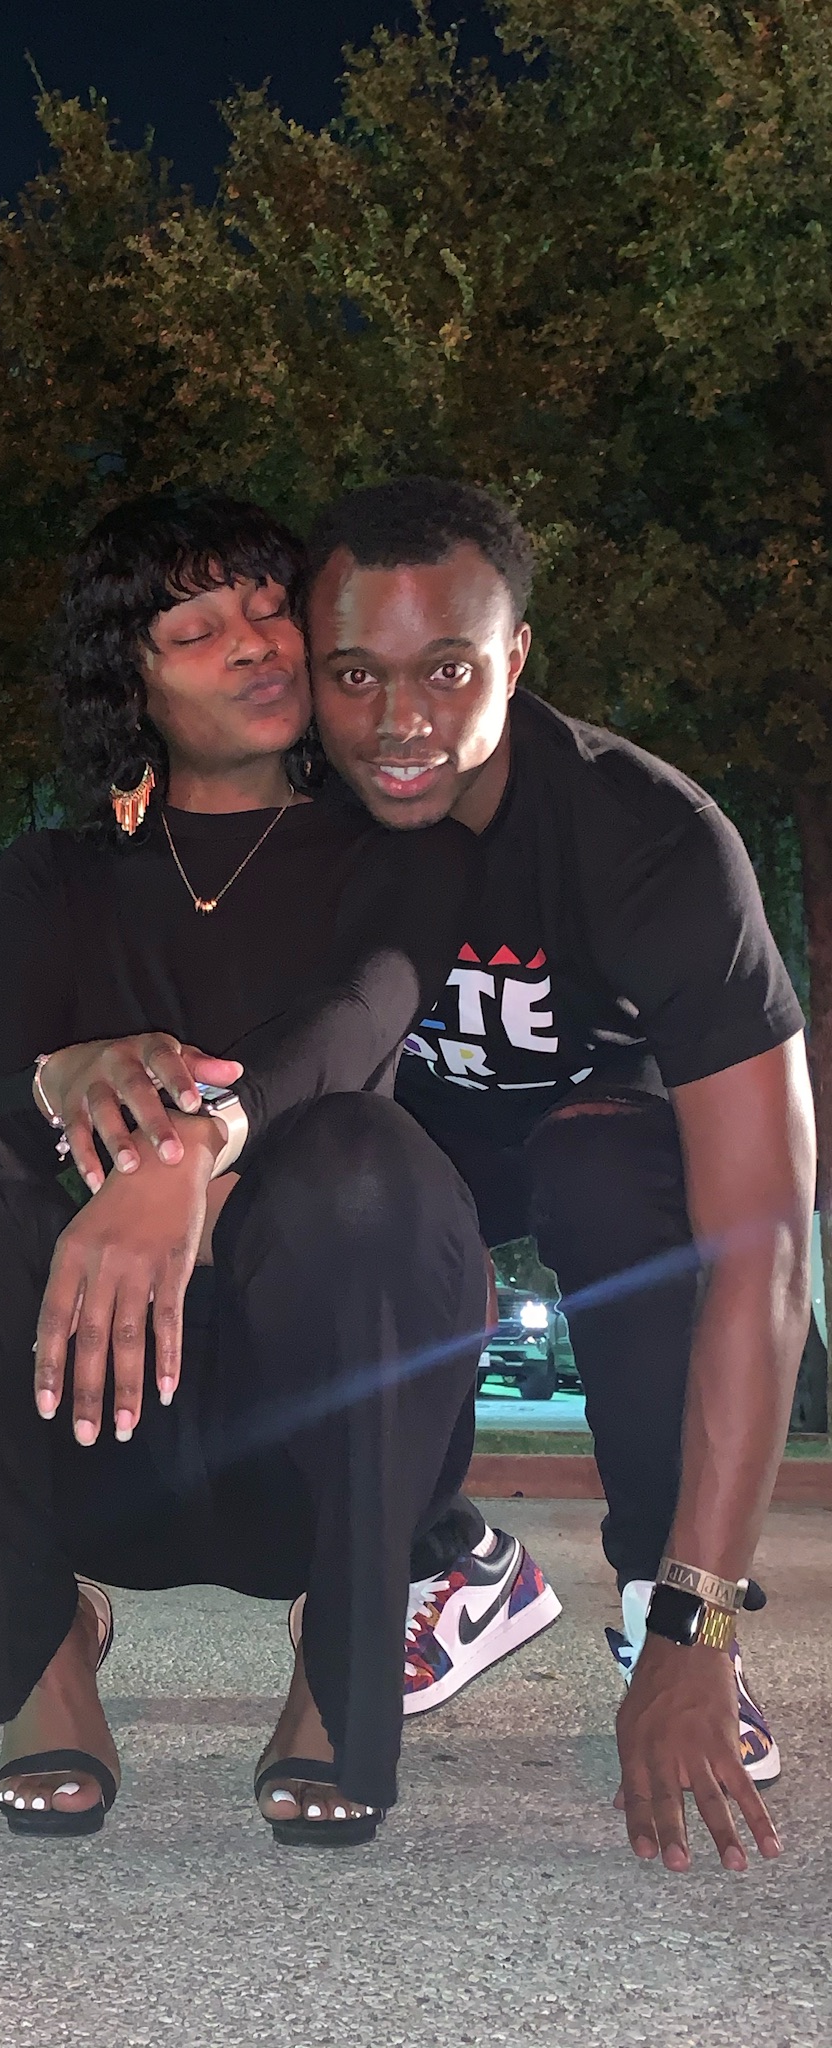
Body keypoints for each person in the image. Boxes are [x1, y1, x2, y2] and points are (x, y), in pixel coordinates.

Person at [0, 490, 520, 1845]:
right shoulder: (52, 877)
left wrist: (188, 1151)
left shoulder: (402, 849)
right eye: (196, 631)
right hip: (93, 1422)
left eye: (268, 608)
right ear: (128, 682)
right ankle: (41, 1648)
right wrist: (56, 1074)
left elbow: (356, 1017)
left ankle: (340, 1659)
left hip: (311, 1434)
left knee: (367, 1162)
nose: (253, 643)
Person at [304, 476, 814, 1874]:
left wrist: (699, 1617)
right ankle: (447, 1562)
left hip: (605, 1131)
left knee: (606, 1169)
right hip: (424, 1149)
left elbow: (768, 1247)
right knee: (341, 1178)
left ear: (516, 656)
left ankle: (659, 1604)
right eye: (355, 674)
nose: (399, 723)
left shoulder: (651, 839)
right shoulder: (296, 817)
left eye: (446, 669)